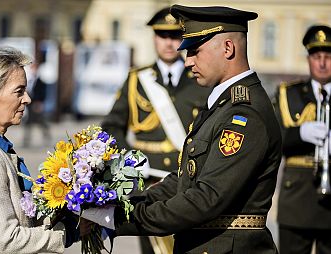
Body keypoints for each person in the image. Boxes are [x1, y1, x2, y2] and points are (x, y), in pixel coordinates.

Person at [80, 5, 282, 253]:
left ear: (228, 48)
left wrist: (117, 219)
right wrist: (114, 206)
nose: (187, 61)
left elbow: (206, 198)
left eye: (195, 51)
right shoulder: (223, 103)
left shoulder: (244, 114)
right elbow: (185, 180)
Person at [101, 8, 210, 253]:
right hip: (148, 182)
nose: (169, 42)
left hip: (187, 181)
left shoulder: (200, 79)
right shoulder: (136, 80)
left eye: (175, 36)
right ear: (154, 37)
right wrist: (132, 160)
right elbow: (111, 127)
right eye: (163, 35)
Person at [0, 44, 76, 253]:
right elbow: (8, 239)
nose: (27, 99)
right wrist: (69, 233)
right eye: (19, 91)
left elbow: (20, 217)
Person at [274, 25, 331, 254]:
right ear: (309, 59)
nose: (322, 63)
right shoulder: (289, 93)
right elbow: (273, 139)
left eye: (328, 56)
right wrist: (300, 134)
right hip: (297, 199)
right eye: (317, 56)